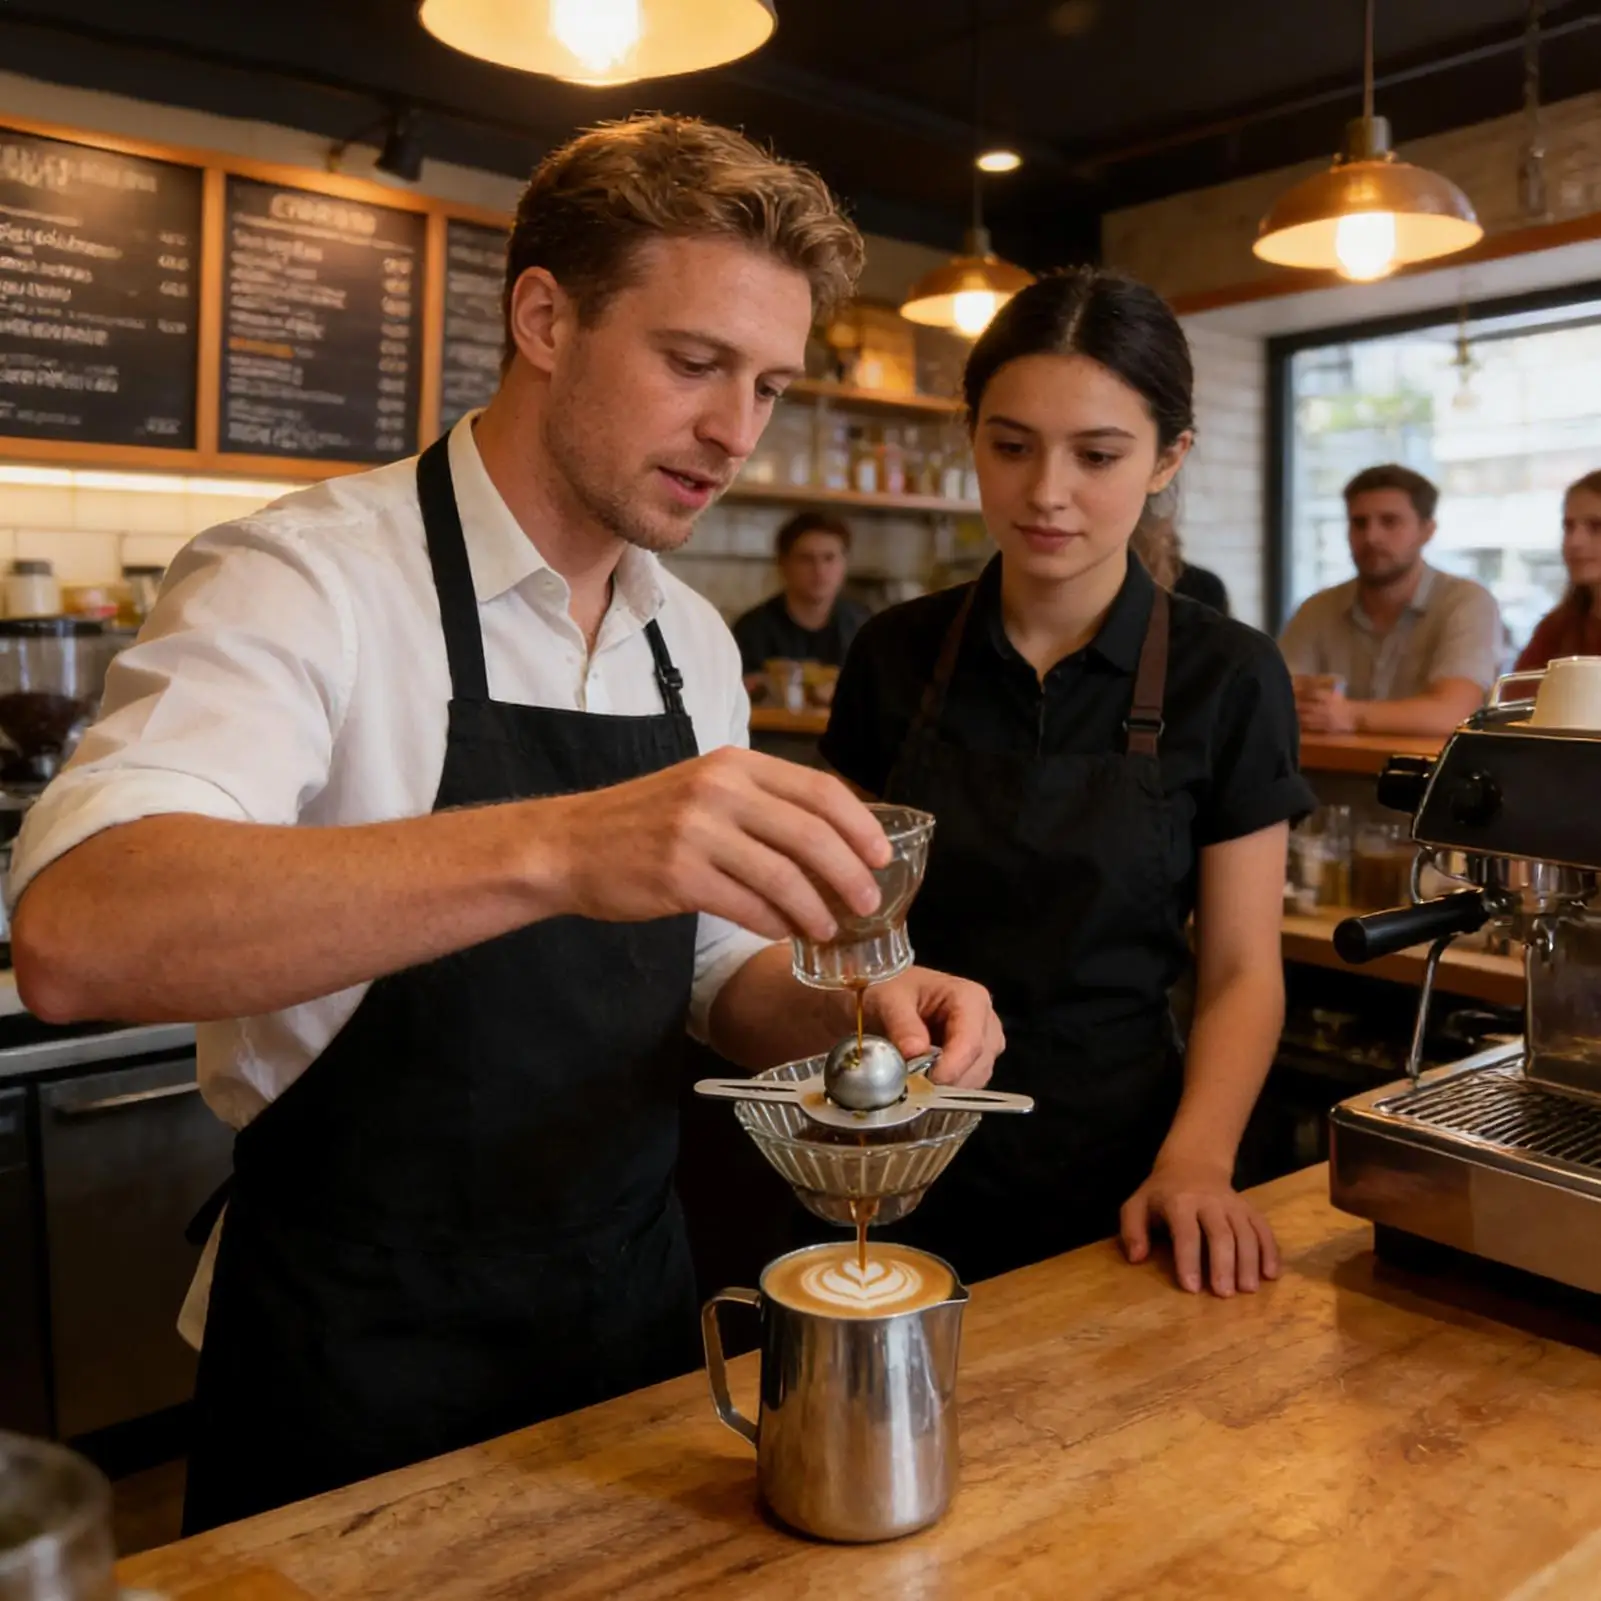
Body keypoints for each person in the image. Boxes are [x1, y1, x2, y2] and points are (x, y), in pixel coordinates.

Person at [6, 115, 1002, 1533]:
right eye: (693, 361)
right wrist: (561, 845)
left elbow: (719, 978)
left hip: (627, 1340)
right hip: (353, 1367)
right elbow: (79, 932)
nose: (735, 433)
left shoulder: (689, 646)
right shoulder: (304, 580)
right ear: (545, 314)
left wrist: (860, 1006)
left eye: (768, 384)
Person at [819, 268, 1316, 1295]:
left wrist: (1196, 1161)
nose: (1045, 491)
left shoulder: (1226, 674)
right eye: (1009, 445)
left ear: (1166, 456)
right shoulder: (891, 653)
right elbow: (843, 926)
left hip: (1125, 1162)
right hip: (896, 1139)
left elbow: (1237, 970)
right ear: (970, 437)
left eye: (1095, 455)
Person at [1280, 464, 1503, 736]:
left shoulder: (1466, 603)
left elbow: (1454, 713)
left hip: (1426, 777)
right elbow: (1277, 700)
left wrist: (1349, 714)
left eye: (1390, 522)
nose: (1371, 537)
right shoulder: (1317, 609)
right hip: (1324, 775)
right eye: (1359, 523)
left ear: (1427, 530)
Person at [733, 509, 870, 695]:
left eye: (829, 558)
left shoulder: (865, 627)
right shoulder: (751, 630)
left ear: (845, 564)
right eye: (806, 559)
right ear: (783, 564)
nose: (819, 570)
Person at [1514, 470, 1601, 671]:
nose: (1574, 541)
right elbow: (1518, 698)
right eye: (1568, 527)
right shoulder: (1557, 628)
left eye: (1596, 526)